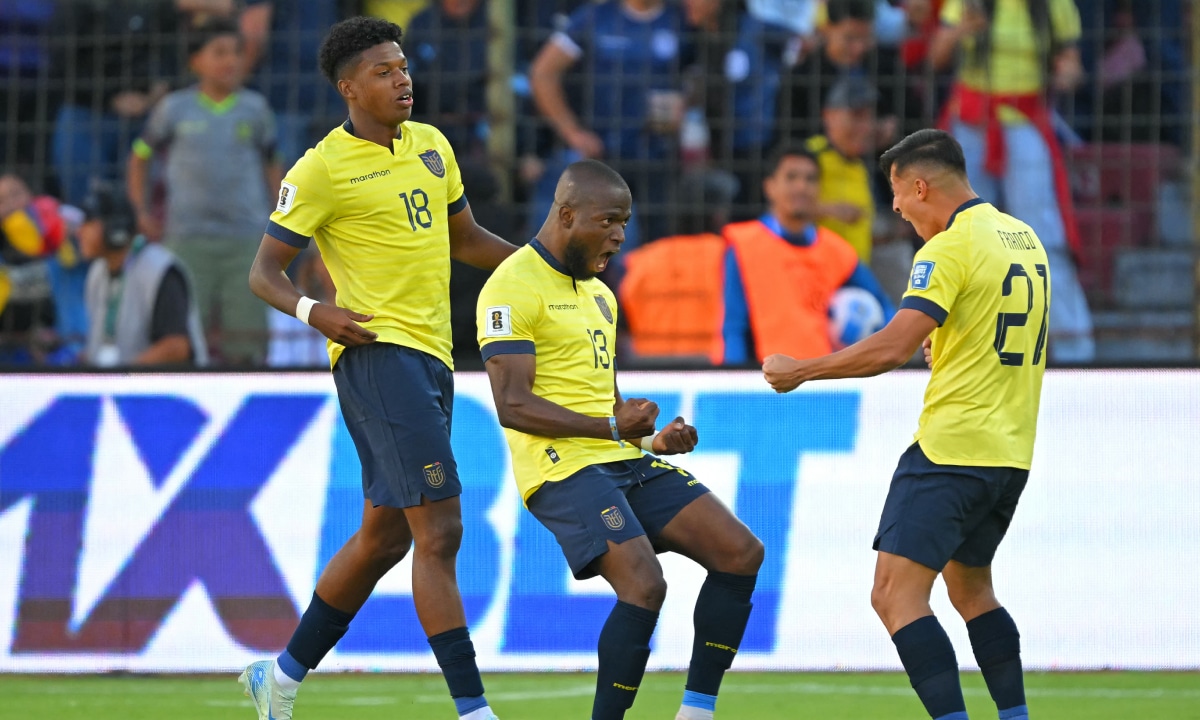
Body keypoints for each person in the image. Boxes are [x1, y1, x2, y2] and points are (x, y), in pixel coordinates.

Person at [241, 17, 516, 720]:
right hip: (375, 356)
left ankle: (281, 677)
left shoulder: (431, 146)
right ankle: (473, 709)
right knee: (441, 529)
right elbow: (263, 273)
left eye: (403, 67)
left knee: (386, 534)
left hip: (431, 358)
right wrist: (315, 312)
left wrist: (543, 269)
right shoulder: (320, 169)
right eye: (385, 71)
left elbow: (465, 239)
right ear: (349, 88)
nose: (403, 79)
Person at [764, 129, 1049, 720]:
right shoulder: (1025, 238)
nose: (897, 212)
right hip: (1010, 452)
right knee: (972, 592)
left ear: (920, 186)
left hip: (951, 449)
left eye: (898, 199)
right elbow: (987, 328)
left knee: (894, 595)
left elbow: (892, 347)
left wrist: (803, 369)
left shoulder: (947, 249)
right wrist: (945, 343)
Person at [477, 159, 764, 720]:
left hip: (618, 460)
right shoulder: (510, 285)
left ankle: (696, 711)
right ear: (565, 215)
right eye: (608, 220)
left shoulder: (601, 296)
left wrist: (653, 442)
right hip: (560, 470)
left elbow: (606, 404)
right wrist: (612, 428)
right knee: (643, 582)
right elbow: (512, 405)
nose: (619, 235)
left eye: (625, 223)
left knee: (740, 553)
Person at [931, 0, 1093, 363]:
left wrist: (1068, 72)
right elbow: (936, 56)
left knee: (1044, 233)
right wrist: (961, 31)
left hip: (1024, 117)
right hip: (971, 120)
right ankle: (961, 348)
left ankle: (1073, 347)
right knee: (964, 237)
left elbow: (1072, 65)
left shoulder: (1056, 6)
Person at [129, 17, 283, 366]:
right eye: (219, 52)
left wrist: (281, 214)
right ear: (195, 60)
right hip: (186, 238)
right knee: (182, 337)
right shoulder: (173, 108)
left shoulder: (255, 109)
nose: (231, 61)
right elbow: (139, 157)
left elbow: (274, 163)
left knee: (247, 340)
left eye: (236, 53)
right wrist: (141, 210)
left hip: (246, 239)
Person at [721, 144, 895, 365]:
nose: (801, 187)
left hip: (823, 381)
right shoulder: (744, 244)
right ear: (770, 187)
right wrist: (732, 378)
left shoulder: (836, 250)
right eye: (791, 177)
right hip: (769, 383)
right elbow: (733, 326)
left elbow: (886, 309)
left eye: (810, 179)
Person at [78, 181, 207, 367]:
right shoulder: (97, 273)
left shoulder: (159, 269)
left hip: (166, 390)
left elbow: (177, 348)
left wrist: (121, 376)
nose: (79, 231)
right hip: (121, 388)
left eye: (89, 223)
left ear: (115, 229)